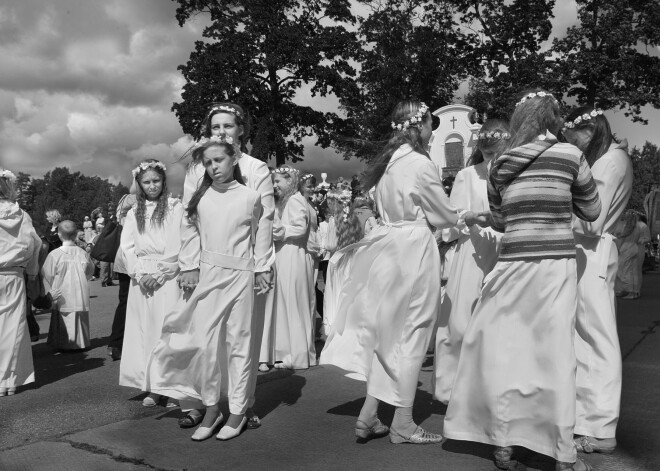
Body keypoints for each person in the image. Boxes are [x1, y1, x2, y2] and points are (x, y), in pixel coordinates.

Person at [443, 91, 601, 471]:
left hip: (511, 264)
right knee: (554, 354)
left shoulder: (499, 164)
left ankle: (503, 443)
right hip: (553, 264)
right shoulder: (569, 155)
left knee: (505, 351)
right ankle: (563, 454)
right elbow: (593, 210)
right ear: (552, 120)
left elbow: (500, 221)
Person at [320, 100, 462, 444]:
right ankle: (403, 422)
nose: (432, 131)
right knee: (412, 333)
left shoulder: (387, 162)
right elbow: (443, 216)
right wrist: (467, 216)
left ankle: (369, 416)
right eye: (431, 124)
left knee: (389, 334)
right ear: (420, 126)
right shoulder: (419, 163)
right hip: (412, 246)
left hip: (388, 245)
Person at [147, 136, 272, 441]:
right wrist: (189, 266)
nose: (214, 167)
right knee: (206, 346)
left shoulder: (250, 197)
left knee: (239, 345)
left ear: (234, 159)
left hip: (240, 276)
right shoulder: (201, 199)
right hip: (209, 275)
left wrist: (262, 269)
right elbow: (190, 233)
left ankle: (238, 411)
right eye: (208, 162)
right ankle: (211, 407)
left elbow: (262, 234)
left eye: (219, 160)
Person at [181, 102, 275, 430]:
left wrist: (262, 266)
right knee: (204, 339)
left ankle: (242, 405)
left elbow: (264, 222)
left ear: (241, 131)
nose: (221, 132)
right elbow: (189, 220)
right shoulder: (199, 167)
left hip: (242, 265)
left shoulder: (256, 168)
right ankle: (202, 403)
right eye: (216, 126)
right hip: (207, 265)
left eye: (228, 126)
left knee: (241, 338)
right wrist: (188, 265)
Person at [561, 106, 633, 454]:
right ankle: (588, 419)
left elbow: (591, 220)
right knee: (585, 338)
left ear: (589, 131)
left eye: (574, 140)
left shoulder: (608, 162)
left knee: (597, 340)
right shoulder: (608, 159)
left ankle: (602, 427)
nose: (573, 147)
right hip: (588, 252)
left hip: (592, 251)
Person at [432, 119, 508, 404]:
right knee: (460, 319)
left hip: (505, 249)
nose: (493, 160)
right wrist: (470, 219)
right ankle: (448, 388)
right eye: (488, 154)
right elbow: (452, 222)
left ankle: (491, 389)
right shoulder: (466, 175)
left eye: (498, 153)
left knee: (499, 322)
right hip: (474, 248)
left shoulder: (516, 173)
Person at [118, 159, 183, 408]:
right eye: (147, 182)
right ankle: (152, 386)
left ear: (163, 181)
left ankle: (174, 387)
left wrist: (161, 273)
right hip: (142, 275)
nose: (152, 186)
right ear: (139, 184)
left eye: (156, 180)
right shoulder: (134, 212)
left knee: (167, 330)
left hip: (166, 274)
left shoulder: (175, 207)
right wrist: (137, 272)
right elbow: (128, 245)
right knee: (145, 331)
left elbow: (178, 242)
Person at [268, 165, 315, 370]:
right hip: (286, 252)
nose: (275, 185)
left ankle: (296, 354)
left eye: (278, 181)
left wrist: (275, 229)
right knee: (287, 301)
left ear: (290, 181)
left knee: (292, 301)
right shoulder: (288, 201)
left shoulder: (295, 200)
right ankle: (291, 352)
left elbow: (299, 228)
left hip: (292, 252)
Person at [0, 169, 40, 396]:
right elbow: (33, 244)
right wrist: (33, 274)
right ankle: (8, 380)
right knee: (11, 328)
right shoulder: (22, 215)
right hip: (13, 274)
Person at [42, 220, 95, 351]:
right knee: (79, 316)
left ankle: (64, 343)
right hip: (80, 291)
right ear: (76, 234)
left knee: (63, 317)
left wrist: (51, 287)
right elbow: (89, 272)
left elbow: (47, 274)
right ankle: (81, 342)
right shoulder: (82, 253)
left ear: (59, 235)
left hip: (62, 291)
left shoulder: (54, 254)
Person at [107, 186, 138, 361]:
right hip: (134, 255)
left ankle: (116, 343)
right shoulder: (136, 201)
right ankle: (121, 342)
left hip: (123, 256)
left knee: (124, 302)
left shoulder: (124, 200)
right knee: (131, 301)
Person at [614, 211, 645, 298]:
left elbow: (621, 237)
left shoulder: (628, 227)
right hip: (635, 247)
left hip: (627, 248)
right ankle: (634, 291)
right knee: (633, 271)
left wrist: (617, 235)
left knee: (624, 270)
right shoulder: (638, 226)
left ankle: (628, 291)